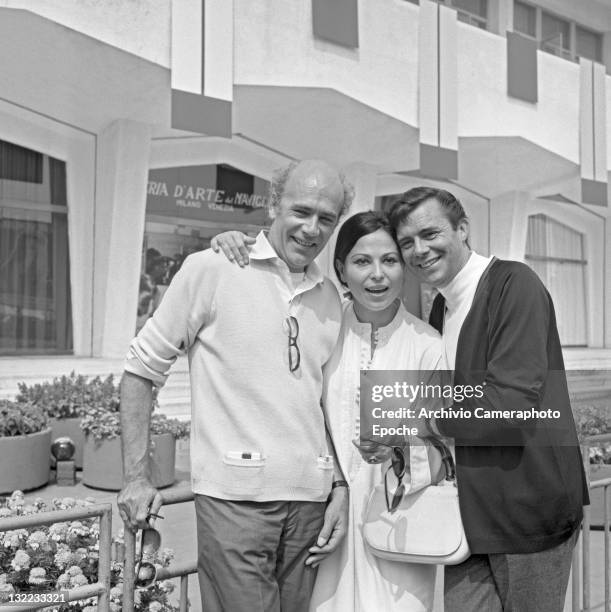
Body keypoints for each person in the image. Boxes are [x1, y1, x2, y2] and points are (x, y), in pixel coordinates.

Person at [117, 159, 354, 612]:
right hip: (234, 503)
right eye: (301, 211)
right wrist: (135, 479)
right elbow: (140, 370)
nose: (311, 228)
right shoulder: (212, 268)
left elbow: (320, 404)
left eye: (326, 218)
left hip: (310, 505)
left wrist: (339, 485)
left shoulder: (331, 299)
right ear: (272, 205)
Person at [212, 211, 447, 611]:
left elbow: (443, 445)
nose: (377, 275)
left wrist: (400, 453)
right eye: (361, 261)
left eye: (389, 261)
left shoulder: (428, 345)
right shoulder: (322, 327)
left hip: (399, 531)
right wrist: (233, 243)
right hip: (323, 527)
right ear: (340, 268)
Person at [384, 186, 589, 612]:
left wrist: (425, 421)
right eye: (406, 242)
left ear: (462, 229)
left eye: (430, 234)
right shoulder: (441, 309)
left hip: (529, 513)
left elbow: (509, 405)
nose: (418, 250)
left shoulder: (514, 285)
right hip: (470, 514)